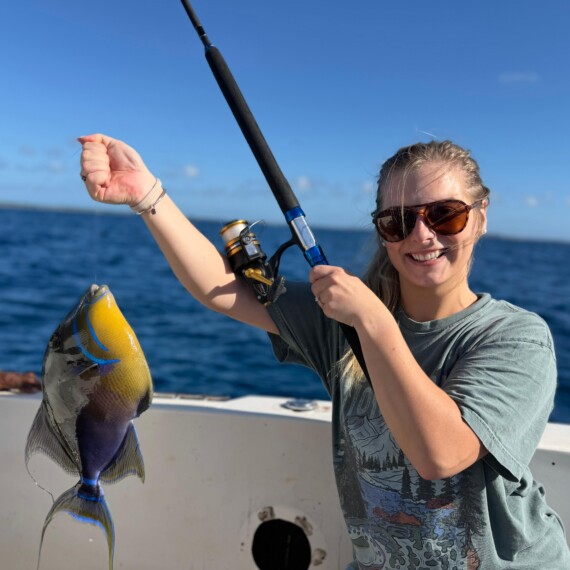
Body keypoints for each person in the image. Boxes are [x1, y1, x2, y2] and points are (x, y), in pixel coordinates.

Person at [79, 134, 569, 569]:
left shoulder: (515, 337)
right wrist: (146, 194)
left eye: (446, 214)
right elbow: (220, 288)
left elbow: (441, 454)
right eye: (398, 221)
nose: (423, 234)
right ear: (382, 232)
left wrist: (372, 320)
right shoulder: (342, 323)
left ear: (481, 216)